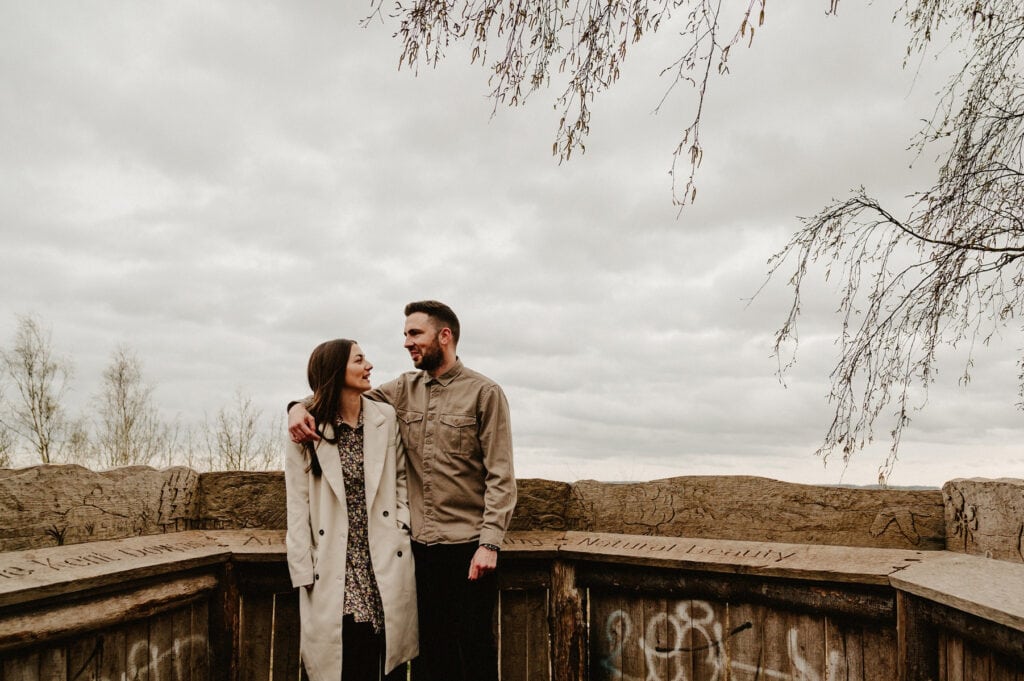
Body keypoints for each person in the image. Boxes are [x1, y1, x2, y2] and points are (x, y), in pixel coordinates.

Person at [289, 301, 516, 681]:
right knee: (428, 658)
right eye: (405, 335)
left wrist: (489, 544)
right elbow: (338, 395)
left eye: (415, 334)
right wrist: (295, 407)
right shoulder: (400, 391)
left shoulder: (485, 393)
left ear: (444, 336)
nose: (407, 343)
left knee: (474, 652)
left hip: (468, 550)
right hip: (416, 553)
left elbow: (501, 475)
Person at [284, 339, 418, 681]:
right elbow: (297, 503)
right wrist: (303, 568)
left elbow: (400, 479)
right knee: (346, 659)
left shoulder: (384, 417)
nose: (369, 365)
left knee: (383, 660)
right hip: (334, 561)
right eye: (359, 360)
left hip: (382, 555)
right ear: (336, 371)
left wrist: (401, 526)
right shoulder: (307, 427)